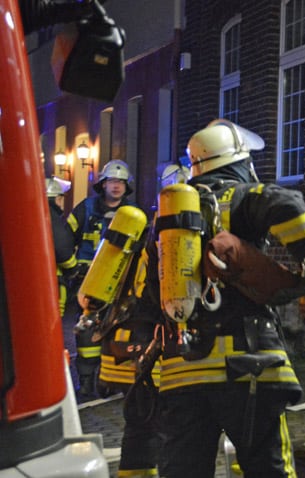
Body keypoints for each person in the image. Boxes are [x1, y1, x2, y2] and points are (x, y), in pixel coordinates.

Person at [138, 119, 305, 477]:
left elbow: (151, 293)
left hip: (182, 370)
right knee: (268, 469)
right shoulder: (245, 197)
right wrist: (304, 273)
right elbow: (289, 206)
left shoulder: (167, 219)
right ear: (239, 161)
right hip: (249, 366)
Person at [93, 164, 192, 477]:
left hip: (122, 348)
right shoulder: (179, 238)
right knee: (166, 429)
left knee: (139, 427)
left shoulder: (139, 229)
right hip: (153, 352)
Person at [67, 159, 139, 399]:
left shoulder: (133, 214)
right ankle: (87, 381)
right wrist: (71, 266)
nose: (116, 186)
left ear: (126, 187)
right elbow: (64, 239)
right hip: (89, 280)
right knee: (87, 329)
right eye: (112, 181)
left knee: (119, 328)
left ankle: (112, 379)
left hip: (122, 281)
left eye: (121, 182)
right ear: (103, 184)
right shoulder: (86, 208)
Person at [46, 176, 77, 317]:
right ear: (56, 199)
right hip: (52, 277)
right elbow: (62, 249)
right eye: (60, 199)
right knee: (54, 315)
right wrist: (73, 268)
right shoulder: (51, 217)